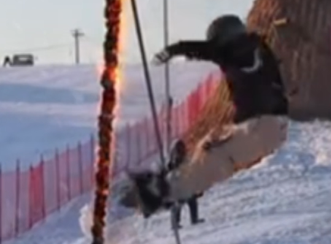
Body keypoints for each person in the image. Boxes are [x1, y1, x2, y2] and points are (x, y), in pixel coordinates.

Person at [120, 14, 289, 217]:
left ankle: (165, 193)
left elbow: (210, 50)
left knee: (213, 155)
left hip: (261, 128)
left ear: (223, 39)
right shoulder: (257, 49)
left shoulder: (238, 50)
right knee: (208, 143)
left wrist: (176, 49)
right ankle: (173, 180)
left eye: (216, 43)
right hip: (267, 125)